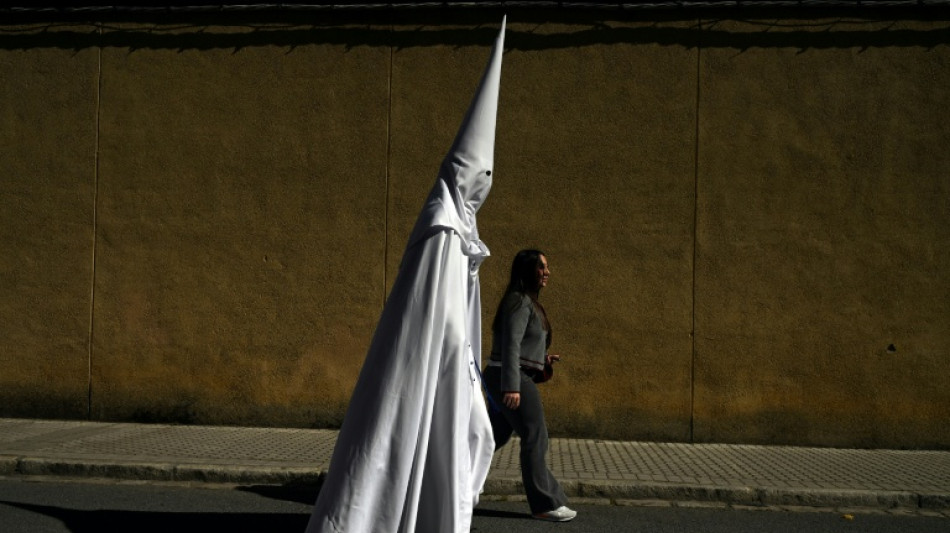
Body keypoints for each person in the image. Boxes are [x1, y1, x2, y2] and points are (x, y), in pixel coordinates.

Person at [482, 249, 578, 522]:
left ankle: (453, 482)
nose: (547, 272)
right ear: (527, 270)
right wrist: (512, 386)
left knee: (493, 436)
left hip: (504, 375)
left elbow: (521, 343)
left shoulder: (523, 301)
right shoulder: (519, 301)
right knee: (535, 435)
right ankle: (544, 504)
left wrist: (541, 359)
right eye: (541, 267)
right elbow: (510, 344)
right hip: (511, 378)